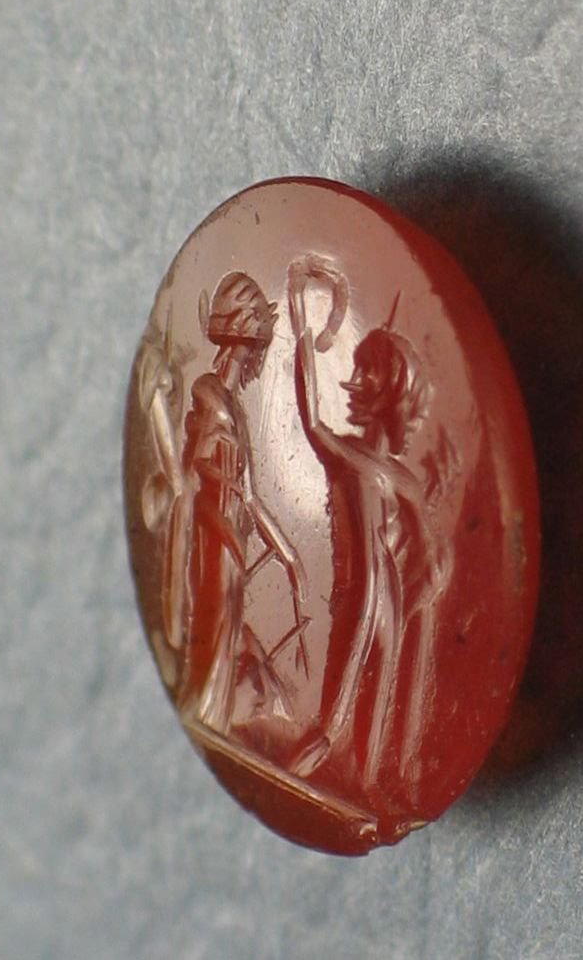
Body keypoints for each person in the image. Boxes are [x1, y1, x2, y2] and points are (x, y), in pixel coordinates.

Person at [287, 258, 446, 796]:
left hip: (390, 593)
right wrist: (302, 331)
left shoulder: (405, 481)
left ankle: (366, 780)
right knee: (338, 700)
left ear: (391, 391)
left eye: (366, 372)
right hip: (360, 590)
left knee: (377, 691)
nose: (355, 382)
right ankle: (315, 759)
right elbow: (310, 419)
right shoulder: (345, 456)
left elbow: (429, 551)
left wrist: (429, 571)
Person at [174, 272, 306, 733]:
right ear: (245, 348)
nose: (258, 363)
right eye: (257, 352)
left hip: (232, 544)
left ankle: (214, 718)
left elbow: (248, 496)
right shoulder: (210, 396)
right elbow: (190, 475)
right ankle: (206, 714)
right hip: (212, 539)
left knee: (227, 631)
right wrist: (213, 523)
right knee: (214, 632)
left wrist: (289, 557)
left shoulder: (235, 410)